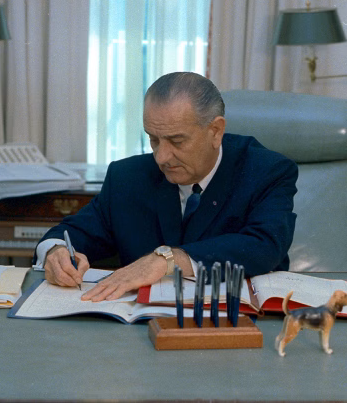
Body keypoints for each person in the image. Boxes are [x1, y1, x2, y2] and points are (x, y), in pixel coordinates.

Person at [34, 72, 298, 301]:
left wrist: (168, 260)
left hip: (237, 325)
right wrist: (55, 252)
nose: (161, 157)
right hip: (139, 328)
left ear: (216, 131)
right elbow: (72, 233)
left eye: (177, 141)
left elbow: (265, 245)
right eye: (153, 140)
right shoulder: (128, 177)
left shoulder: (266, 171)